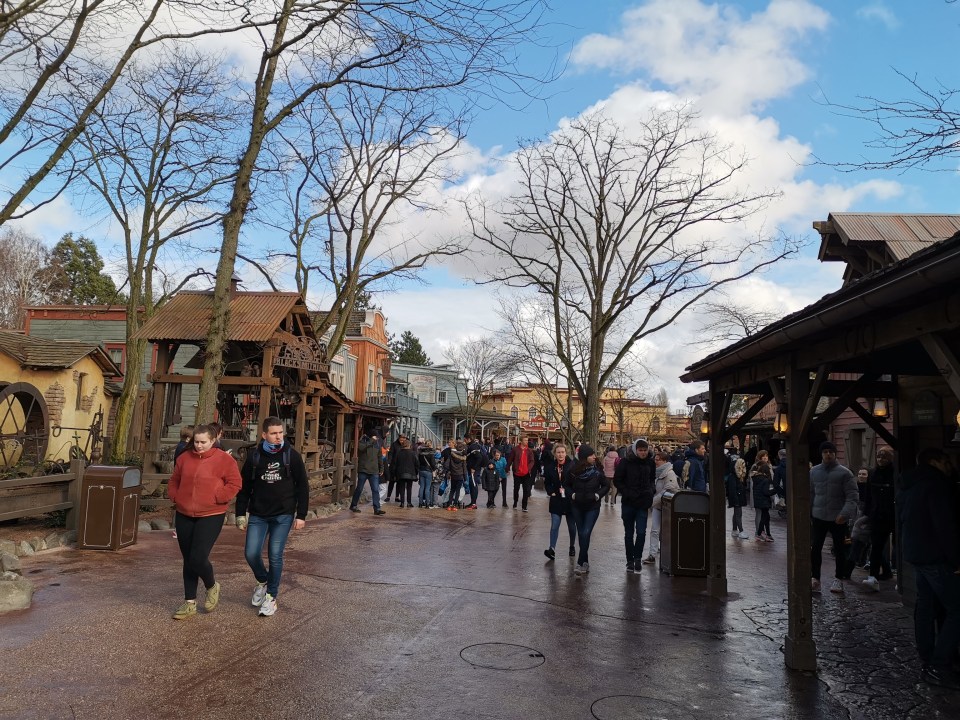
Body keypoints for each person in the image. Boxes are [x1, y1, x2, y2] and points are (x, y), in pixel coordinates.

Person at [898, 447, 960, 688]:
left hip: (916, 554)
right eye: (946, 461)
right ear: (935, 462)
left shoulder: (910, 484)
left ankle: (928, 657)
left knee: (925, 606)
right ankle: (939, 664)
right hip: (936, 556)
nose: (950, 466)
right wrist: (956, 560)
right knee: (956, 609)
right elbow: (944, 526)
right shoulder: (937, 485)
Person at [167, 424, 242, 620]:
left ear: (213, 441)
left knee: (198, 558)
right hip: (184, 513)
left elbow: (235, 483)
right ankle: (189, 602)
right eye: (196, 442)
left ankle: (212, 585)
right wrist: (175, 496)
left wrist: (219, 497)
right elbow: (174, 480)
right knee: (188, 559)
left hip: (211, 514)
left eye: (203, 442)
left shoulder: (224, 459)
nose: (199, 446)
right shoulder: (184, 458)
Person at [235, 417, 309, 617]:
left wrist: (301, 514)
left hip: (283, 514)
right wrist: (240, 513)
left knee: (275, 555)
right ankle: (262, 580)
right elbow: (244, 488)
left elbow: (302, 486)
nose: (278, 437)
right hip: (258, 513)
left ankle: (271, 597)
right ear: (264, 435)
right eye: (274, 433)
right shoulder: (254, 456)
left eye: (280, 433)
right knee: (251, 553)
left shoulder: (292, 456)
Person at [809, 441, 858, 595]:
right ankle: (815, 577)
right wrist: (810, 511)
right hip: (819, 516)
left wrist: (844, 514)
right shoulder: (814, 471)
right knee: (815, 547)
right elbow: (810, 493)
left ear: (835, 453)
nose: (828, 454)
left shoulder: (845, 473)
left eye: (831, 452)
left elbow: (852, 496)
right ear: (821, 454)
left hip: (838, 517)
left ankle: (839, 578)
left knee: (839, 549)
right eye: (825, 452)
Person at [613, 439, 655, 573]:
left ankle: (637, 558)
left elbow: (652, 479)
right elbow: (617, 479)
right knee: (629, 533)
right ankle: (629, 560)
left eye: (645, 450)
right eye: (640, 450)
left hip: (643, 502)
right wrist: (626, 492)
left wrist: (650, 491)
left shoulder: (650, 462)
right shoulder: (625, 462)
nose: (643, 453)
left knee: (641, 532)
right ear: (635, 450)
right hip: (629, 502)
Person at [570, 445, 610, 574]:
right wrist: (572, 494)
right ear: (584, 457)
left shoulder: (597, 470)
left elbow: (606, 485)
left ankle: (580, 562)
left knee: (585, 533)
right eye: (591, 455)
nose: (594, 457)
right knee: (581, 534)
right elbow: (566, 484)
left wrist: (597, 495)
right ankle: (585, 562)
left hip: (592, 507)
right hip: (577, 506)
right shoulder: (573, 470)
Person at [862, 447, 897, 591]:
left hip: (893, 515)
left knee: (898, 546)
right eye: (878, 457)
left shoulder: (895, 473)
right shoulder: (873, 473)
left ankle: (899, 576)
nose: (880, 460)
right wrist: (867, 513)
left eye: (884, 457)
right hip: (877, 515)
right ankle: (873, 577)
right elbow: (868, 495)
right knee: (876, 547)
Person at [542, 442, 576, 560]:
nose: (560, 455)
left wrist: (573, 493)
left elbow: (576, 483)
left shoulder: (573, 465)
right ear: (554, 454)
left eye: (562, 452)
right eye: (558, 452)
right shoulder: (550, 467)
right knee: (554, 526)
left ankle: (572, 546)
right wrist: (550, 491)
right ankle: (552, 549)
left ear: (566, 453)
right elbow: (547, 483)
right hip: (556, 498)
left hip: (570, 499)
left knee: (572, 527)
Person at [645, 450, 680, 563]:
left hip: (667, 507)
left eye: (658, 460)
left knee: (666, 531)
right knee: (654, 530)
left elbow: (667, 491)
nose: (655, 462)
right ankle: (652, 554)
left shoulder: (670, 474)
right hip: (658, 506)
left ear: (664, 461)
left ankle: (668, 556)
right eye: (655, 459)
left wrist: (651, 502)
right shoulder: (655, 472)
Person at [350, 429, 386, 515]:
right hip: (363, 470)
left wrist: (381, 468)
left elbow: (379, 457)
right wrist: (371, 441)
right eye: (375, 436)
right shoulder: (363, 442)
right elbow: (361, 448)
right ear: (371, 436)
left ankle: (377, 509)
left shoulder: (377, 444)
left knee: (375, 490)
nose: (377, 438)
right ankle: (353, 505)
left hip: (374, 471)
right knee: (359, 488)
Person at [751, 450, 776, 542]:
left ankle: (764, 533)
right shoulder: (756, 466)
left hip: (767, 491)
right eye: (763, 456)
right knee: (759, 513)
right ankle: (759, 532)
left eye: (766, 456)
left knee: (765, 514)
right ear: (760, 457)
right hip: (760, 493)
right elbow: (754, 482)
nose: (765, 457)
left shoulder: (769, 466)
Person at [510, 437, 538, 512]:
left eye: (527, 440)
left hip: (526, 473)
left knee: (526, 490)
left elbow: (532, 461)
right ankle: (515, 503)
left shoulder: (529, 450)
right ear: (521, 441)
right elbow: (510, 459)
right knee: (516, 489)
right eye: (525, 440)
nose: (526, 441)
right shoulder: (515, 449)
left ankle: (524, 506)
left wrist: (528, 468)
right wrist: (507, 468)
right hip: (517, 472)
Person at [726, 457, 750, 540]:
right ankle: (741, 531)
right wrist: (735, 500)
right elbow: (732, 490)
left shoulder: (737, 476)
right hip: (736, 498)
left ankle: (734, 530)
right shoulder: (733, 477)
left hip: (738, 497)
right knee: (738, 514)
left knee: (736, 514)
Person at [392, 436, 419, 508]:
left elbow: (395, 464)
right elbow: (417, 464)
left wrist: (395, 473)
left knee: (402, 488)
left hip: (400, 473)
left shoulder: (399, 453)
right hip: (410, 473)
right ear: (409, 445)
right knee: (409, 488)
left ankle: (402, 503)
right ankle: (409, 503)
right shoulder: (413, 453)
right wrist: (416, 472)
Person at [444, 441, 468, 511]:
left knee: (452, 490)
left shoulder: (451, 455)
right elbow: (464, 468)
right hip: (460, 475)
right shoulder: (463, 457)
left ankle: (449, 505)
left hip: (453, 475)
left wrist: (449, 470)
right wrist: (465, 477)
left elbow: (446, 465)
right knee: (457, 491)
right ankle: (455, 505)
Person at [464, 435, 486, 510]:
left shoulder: (473, 447)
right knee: (471, 485)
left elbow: (479, 457)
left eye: (465, 439)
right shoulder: (472, 446)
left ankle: (473, 504)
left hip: (474, 470)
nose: (464, 441)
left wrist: (474, 467)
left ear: (469, 439)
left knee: (473, 485)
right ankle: (472, 502)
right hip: (472, 469)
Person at [417, 440, 437, 508]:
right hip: (428, 471)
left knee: (422, 487)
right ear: (430, 445)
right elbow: (433, 464)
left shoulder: (421, 453)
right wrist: (434, 469)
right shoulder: (431, 453)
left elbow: (418, 462)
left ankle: (420, 503)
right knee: (427, 488)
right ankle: (427, 503)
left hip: (421, 470)